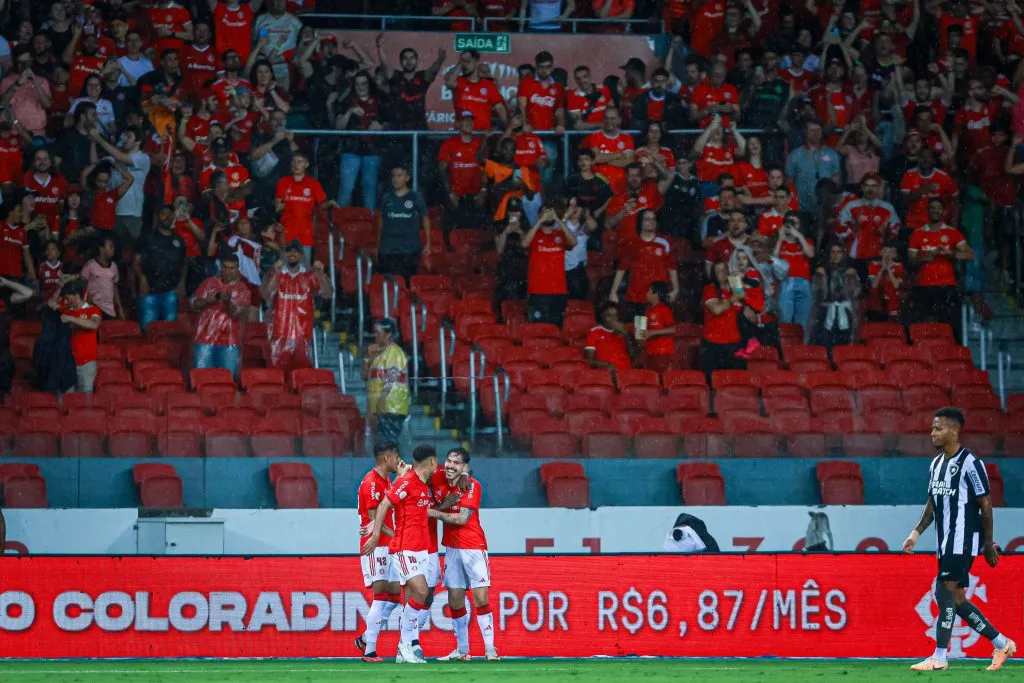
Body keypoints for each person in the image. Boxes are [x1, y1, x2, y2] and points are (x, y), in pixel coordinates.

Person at [903, 407, 1017, 672]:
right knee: (956, 599)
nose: (932, 433)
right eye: (932, 428)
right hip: (945, 542)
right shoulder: (935, 465)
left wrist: (988, 543)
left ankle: (940, 657)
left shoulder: (971, 464)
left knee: (943, 590)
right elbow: (932, 503)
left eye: (938, 428)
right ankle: (1002, 644)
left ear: (953, 430)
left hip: (963, 540)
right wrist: (916, 532)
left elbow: (985, 504)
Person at [362, 444, 440, 665]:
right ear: (432, 461)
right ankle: (404, 644)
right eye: (437, 462)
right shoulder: (407, 482)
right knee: (422, 592)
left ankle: (402, 651)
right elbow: (384, 505)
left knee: (413, 597)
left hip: (422, 549)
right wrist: (376, 535)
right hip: (405, 548)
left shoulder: (421, 482)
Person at [430, 448, 500, 662]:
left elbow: (461, 519)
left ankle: (490, 649)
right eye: (449, 461)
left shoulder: (472, 486)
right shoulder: (439, 477)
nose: (451, 465)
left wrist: (431, 512)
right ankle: (462, 650)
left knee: (480, 598)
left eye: (457, 463)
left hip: (473, 547)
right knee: (454, 600)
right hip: (452, 549)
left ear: (465, 467)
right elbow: (419, 471)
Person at [354, 439, 403, 664]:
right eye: (396, 456)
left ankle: (365, 637)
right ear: (386, 457)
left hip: (387, 544)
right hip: (376, 545)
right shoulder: (372, 482)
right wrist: (396, 535)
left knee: (394, 595)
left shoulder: (386, 479)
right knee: (381, 595)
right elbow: (375, 519)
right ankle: (370, 651)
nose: (398, 460)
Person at [908, 198, 973, 340]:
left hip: (946, 286)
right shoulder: (917, 233)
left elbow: (970, 254)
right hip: (923, 286)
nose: (935, 211)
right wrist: (924, 257)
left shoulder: (952, 233)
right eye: (932, 208)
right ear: (927, 211)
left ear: (943, 211)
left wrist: (950, 253)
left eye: (938, 208)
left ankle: (955, 349)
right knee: (918, 324)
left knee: (951, 325)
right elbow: (911, 261)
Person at [262, 240, 332, 371]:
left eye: (296, 251)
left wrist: (321, 273)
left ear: (301, 255)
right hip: (279, 333)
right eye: (289, 251)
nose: (292, 254)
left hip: (302, 334)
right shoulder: (278, 274)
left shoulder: (309, 276)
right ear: (284, 254)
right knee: (277, 372)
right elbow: (265, 293)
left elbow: (327, 294)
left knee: (300, 373)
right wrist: (275, 272)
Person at [191, 253, 255, 379]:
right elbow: (194, 304)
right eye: (225, 267)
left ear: (237, 269)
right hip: (204, 339)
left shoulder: (242, 289)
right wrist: (208, 301)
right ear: (221, 267)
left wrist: (227, 302)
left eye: (231, 268)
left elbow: (237, 315)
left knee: (227, 380)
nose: (228, 271)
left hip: (230, 342)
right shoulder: (209, 283)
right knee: (201, 378)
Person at [610, 210, 678, 320]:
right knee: (639, 328)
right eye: (647, 219)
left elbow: (672, 267)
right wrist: (613, 292)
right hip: (636, 296)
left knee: (658, 327)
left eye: (653, 218)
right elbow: (621, 269)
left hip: (658, 296)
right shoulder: (631, 243)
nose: (651, 221)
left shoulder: (664, 243)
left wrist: (676, 289)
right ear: (640, 222)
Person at [522, 205, 576, 326]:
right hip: (537, 290)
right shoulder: (534, 234)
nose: (548, 215)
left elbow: (574, 242)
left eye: (550, 213)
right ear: (539, 215)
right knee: (538, 328)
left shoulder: (560, 234)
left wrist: (558, 220)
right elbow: (524, 244)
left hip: (558, 290)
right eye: (544, 212)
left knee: (556, 328)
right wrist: (539, 221)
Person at [135, 207, 187, 331]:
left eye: (170, 214)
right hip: (149, 292)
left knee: (169, 333)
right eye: (164, 213)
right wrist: (142, 278)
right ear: (157, 216)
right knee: (147, 332)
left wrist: (182, 283)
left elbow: (184, 263)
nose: (167, 217)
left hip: (171, 292)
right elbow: (136, 262)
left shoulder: (179, 240)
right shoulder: (147, 237)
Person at [378, 167, 431, 282]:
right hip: (389, 248)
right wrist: (379, 240)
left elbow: (425, 217)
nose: (395, 179)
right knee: (390, 283)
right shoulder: (386, 198)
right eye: (393, 176)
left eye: (399, 176)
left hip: (409, 248)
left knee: (407, 283)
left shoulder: (415, 197)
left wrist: (428, 242)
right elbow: (382, 218)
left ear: (407, 178)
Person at [275, 153, 330, 263]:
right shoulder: (283, 182)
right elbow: (277, 208)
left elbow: (322, 204)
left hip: (305, 233)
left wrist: (330, 203)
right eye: (294, 161)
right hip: (287, 232)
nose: (296, 165)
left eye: (300, 161)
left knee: (304, 268)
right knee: (285, 268)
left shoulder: (313, 184)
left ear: (306, 164)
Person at [364, 318, 410, 442]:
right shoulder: (377, 353)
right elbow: (364, 377)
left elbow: (391, 382)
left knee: (387, 445)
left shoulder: (395, 353)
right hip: (380, 409)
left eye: (378, 332)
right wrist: (367, 359)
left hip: (391, 408)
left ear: (388, 334)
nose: (375, 335)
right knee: (381, 446)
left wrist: (379, 408)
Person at [808, 242, 861, 349]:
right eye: (832, 252)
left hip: (844, 311)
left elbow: (856, 293)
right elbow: (817, 294)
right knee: (825, 341)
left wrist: (850, 279)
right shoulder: (822, 271)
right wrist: (822, 279)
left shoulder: (850, 272)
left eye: (838, 252)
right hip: (825, 311)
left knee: (844, 343)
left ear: (843, 254)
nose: (835, 255)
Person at [54, 278, 101, 393]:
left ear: (76, 295)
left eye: (68, 298)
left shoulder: (92, 310)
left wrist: (71, 319)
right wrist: (60, 287)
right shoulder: (65, 310)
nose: (66, 301)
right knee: (68, 398)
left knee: (86, 399)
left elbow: (94, 324)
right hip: (68, 363)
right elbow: (50, 303)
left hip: (87, 363)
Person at [785, 120, 841, 212]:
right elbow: (789, 182)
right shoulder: (794, 155)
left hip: (826, 207)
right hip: (802, 207)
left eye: (818, 130)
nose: (815, 133)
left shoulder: (832, 154)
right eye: (812, 130)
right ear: (805, 133)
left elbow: (836, 181)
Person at [701, 261, 745, 378]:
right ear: (714, 275)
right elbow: (716, 310)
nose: (723, 272)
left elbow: (746, 307)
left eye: (725, 269)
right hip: (714, 344)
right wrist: (733, 299)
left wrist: (738, 284)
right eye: (719, 270)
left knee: (736, 380)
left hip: (734, 343)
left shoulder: (733, 291)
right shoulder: (710, 289)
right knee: (714, 380)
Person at [775, 212, 815, 331]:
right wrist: (780, 240)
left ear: (800, 225)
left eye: (794, 223)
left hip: (804, 282)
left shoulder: (806, 241)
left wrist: (799, 236)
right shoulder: (780, 242)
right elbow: (773, 261)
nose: (791, 226)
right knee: (785, 319)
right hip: (785, 282)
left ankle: (801, 342)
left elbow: (810, 254)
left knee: (803, 321)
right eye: (789, 222)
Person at [584, 302, 635, 380]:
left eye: (616, 315)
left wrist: (626, 334)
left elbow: (634, 355)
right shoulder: (594, 332)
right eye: (609, 315)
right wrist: (607, 364)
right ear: (603, 317)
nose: (613, 319)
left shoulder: (624, 331)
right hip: (607, 373)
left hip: (627, 373)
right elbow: (590, 361)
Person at [638, 281, 676, 373]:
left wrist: (652, 333)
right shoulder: (647, 310)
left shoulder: (664, 309)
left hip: (662, 351)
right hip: (650, 350)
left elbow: (673, 329)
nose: (646, 293)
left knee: (661, 376)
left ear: (656, 294)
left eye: (649, 291)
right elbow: (641, 332)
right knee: (652, 377)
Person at [81, 236, 123, 320]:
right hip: (94, 307)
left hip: (109, 310)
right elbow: (81, 283)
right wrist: (87, 298)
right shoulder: (91, 265)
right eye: (110, 246)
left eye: (113, 247)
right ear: (102, 249)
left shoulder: (114, 266)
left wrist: (120, 308)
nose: (113, 249)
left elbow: (115, 288)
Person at [867, 243, 904, 322]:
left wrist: (888, 269)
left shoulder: (898, 266)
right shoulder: (873, 265)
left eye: (890, 252)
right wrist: (882, 269)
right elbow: (874, 285)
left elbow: (896, 285)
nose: (887, 255)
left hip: (893, 304)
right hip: (877, 304)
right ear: (880, 253)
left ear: (895, 255)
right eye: (885, 251)